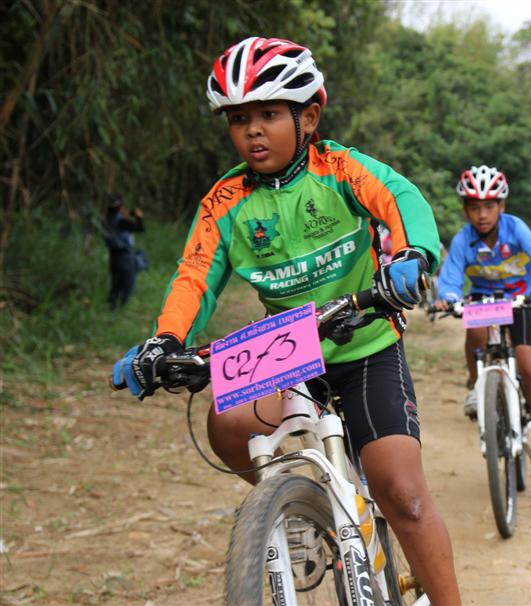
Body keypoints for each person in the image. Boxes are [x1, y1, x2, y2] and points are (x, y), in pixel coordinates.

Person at [110, 37, 460, 603]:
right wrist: (165, 340)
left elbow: (401, 197)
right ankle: (297, 505)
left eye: (270, 114)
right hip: (289, 350)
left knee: (403, 495)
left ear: (309, 117)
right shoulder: (224, 202)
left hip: (365, 344)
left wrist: (414, 253)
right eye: (238, 119)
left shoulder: (340, 169)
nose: (253, 131)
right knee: (226, 424)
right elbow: (194, 275)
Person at [433, 165, 531, 472]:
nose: (482, 215)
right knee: (475, 332)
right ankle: (477, 385)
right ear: (465, 210)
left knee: (528, 364)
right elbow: (450, 279)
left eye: (489, 206)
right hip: (483, 299)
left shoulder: (516, 229)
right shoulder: (463, 240)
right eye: (474, 208)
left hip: (521, 297)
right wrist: (448, 297)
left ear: (501, 206)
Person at [103, 193, 144, 310]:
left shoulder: (106, 220)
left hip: (113, 257)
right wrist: (139, 217)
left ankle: (111, 307)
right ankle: (122, 308)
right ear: (119, 207)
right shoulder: (121, 221)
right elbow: (140, 228)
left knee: (115, 284)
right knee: (128, 283)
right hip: (124, 256)